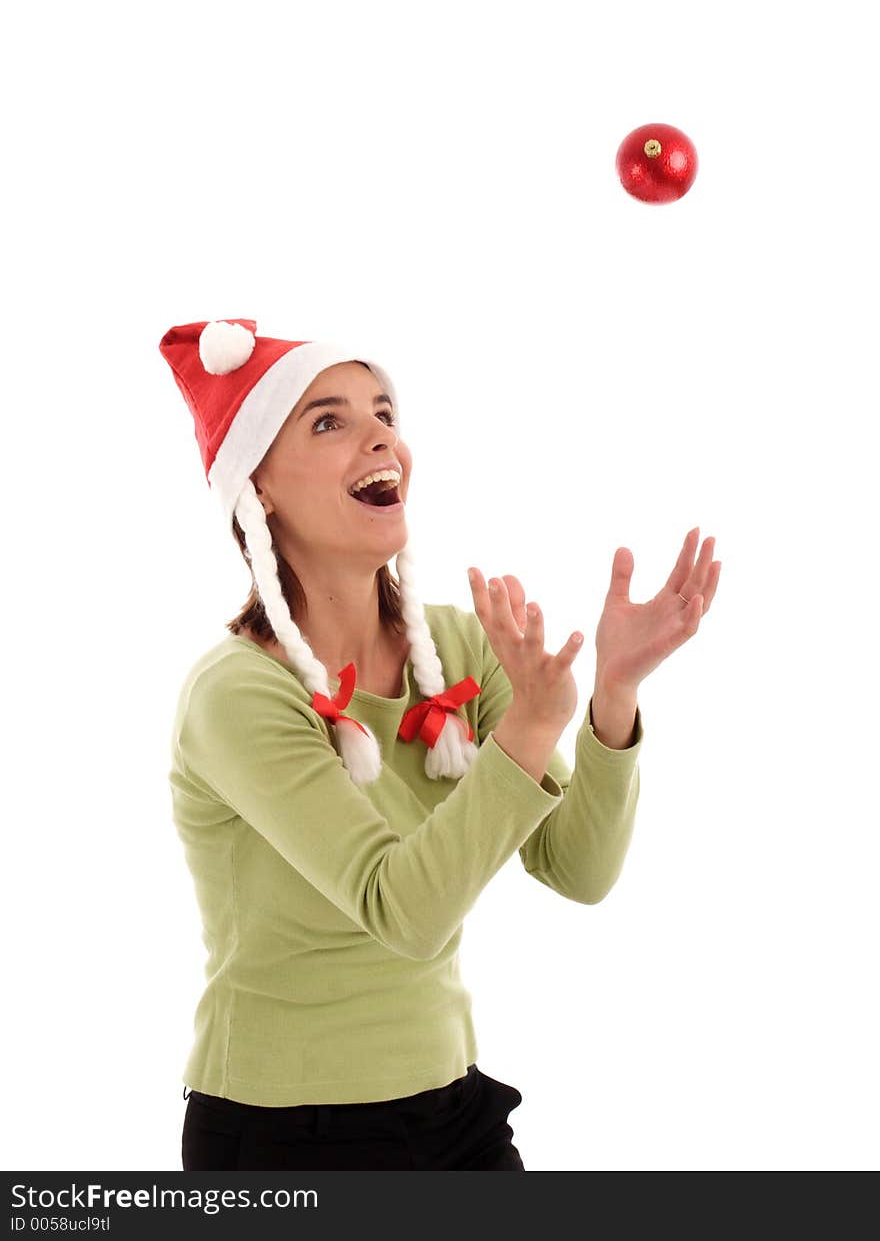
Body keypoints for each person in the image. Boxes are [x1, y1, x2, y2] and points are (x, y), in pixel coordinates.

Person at [159, 318, 720, 1170]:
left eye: (383, 412)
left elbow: (579, 868)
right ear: (258, 486)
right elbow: (404, 913)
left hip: (451, 1108)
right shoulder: (238, 695)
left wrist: (613, 698)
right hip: (278, 1134)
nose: (381, 434)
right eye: (328, 420)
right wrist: (531, 726)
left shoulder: (457, 649)